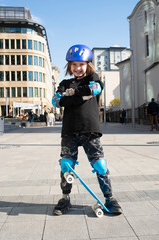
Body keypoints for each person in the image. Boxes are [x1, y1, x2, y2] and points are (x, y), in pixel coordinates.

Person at [52, 44, 122, 216]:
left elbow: (95, 89)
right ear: (69, 66)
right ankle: (65, 198)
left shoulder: (93, 77)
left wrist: (71, 95)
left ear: (88, 64)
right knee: (66, 166)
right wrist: (78, 95)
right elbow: (56, 101)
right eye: (74, 64)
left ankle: (110, 198)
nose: (77, 68)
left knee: (100, 165)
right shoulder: (64, 83)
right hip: (69, 130)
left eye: (81, 64)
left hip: (90, 130)